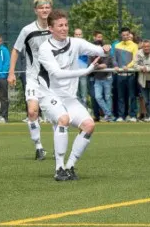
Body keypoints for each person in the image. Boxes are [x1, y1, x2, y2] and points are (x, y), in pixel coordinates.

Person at [37, 10, 108, 181]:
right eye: (60, 25)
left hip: (68, 97)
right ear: (51, 29)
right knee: (63, 119)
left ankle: (70, 166)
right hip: (49, 95)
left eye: (66, 25)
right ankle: (59, 168)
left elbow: (99, 50)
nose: (64, 28)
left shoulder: (75, 43)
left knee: (89, 125)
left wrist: (104, 49)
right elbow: (57, 74)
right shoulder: (45, 48)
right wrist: (86, 71)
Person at [8, 0, 52, 160]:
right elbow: (15, 50)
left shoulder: (56, 28)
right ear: (35, 10)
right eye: (41, 7)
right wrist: (11, 72)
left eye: (47, 7)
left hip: (52, 79)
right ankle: (39, 147)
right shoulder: (27, 30)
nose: (44, 10)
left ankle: (59, 147)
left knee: (56, 116)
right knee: (32, 112)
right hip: (33, 78)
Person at [114, 27, 138, 122]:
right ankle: (121, 116)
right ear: (121, 35)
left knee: (132, 96)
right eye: (123, 35)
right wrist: (116, 65)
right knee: (120, 96)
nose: (125, 36)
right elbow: (114, 58)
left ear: (129, 35)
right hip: (120, 75)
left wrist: (128, 66)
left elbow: (135, 59)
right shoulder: (117, 45)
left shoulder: (134, 45)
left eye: (127, 35)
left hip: (130, 75)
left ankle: (133, 115)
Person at [134, 39, 150, 122]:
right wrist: (141, 68)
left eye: (148, 46)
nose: (146, 48)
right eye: (144, 46)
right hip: (142, 80)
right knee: (146, 99)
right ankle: (148, 116)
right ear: (142, 47)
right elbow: (135, 65)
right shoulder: (138, 53)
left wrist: (147, 69)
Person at [91, 39, 114, 121]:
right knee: (98, 97)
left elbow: (104, 65)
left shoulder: (107, 54)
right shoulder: (91, 55)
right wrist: (95, 65)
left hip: (107, 78)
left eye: (99, 47)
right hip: (97, 79)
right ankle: (108, 114)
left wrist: (96, 65)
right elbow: (89, 65)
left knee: (108, 97)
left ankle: (108, 116)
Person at [73, 28, 90, 106]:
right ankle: (78, 109)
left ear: (82, 35)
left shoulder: (86, 45)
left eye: (79, 34)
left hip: (83, 72)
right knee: (75, 93)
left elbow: (89, 57)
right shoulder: (70, 44)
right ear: (74, 35)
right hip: (73, 73)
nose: (78, 36)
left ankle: (85, 108)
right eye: (76, 34)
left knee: (84, 92)